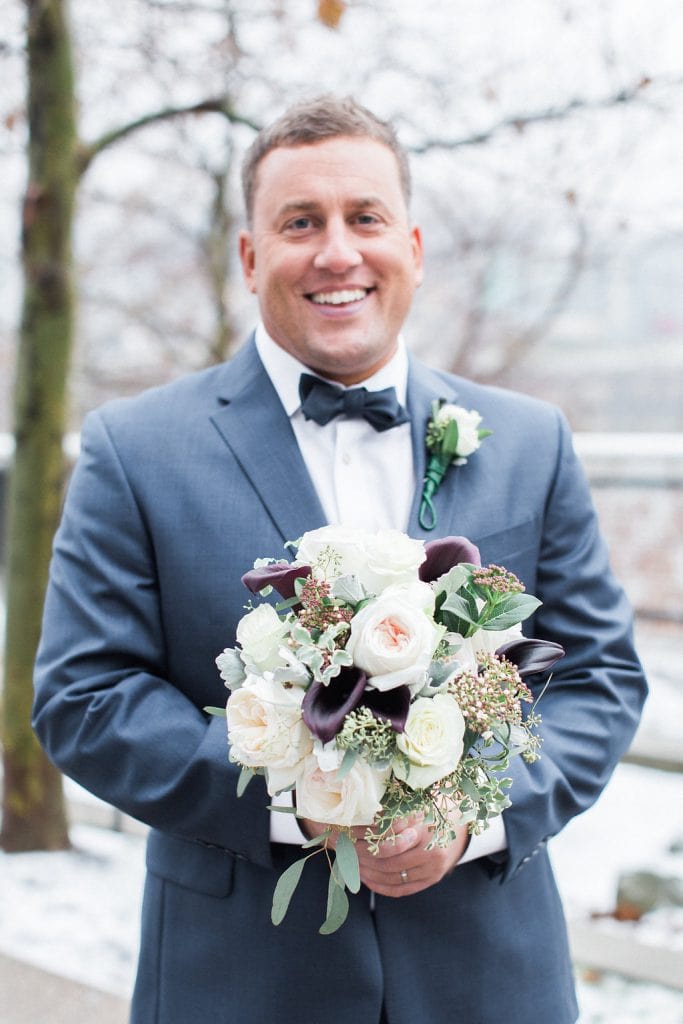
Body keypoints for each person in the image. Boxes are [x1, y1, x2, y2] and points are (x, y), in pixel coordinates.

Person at [33, 96, 647, 1024]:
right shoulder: (133, 450)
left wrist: (477, 816)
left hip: (487, 975)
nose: (335, 252)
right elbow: (84, 696)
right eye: (298, 223)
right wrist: (300, 806)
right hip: (240, 977)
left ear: (413, 246)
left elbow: (599, 674)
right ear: (249, 258)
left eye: (363, 218)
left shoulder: (528, 441)